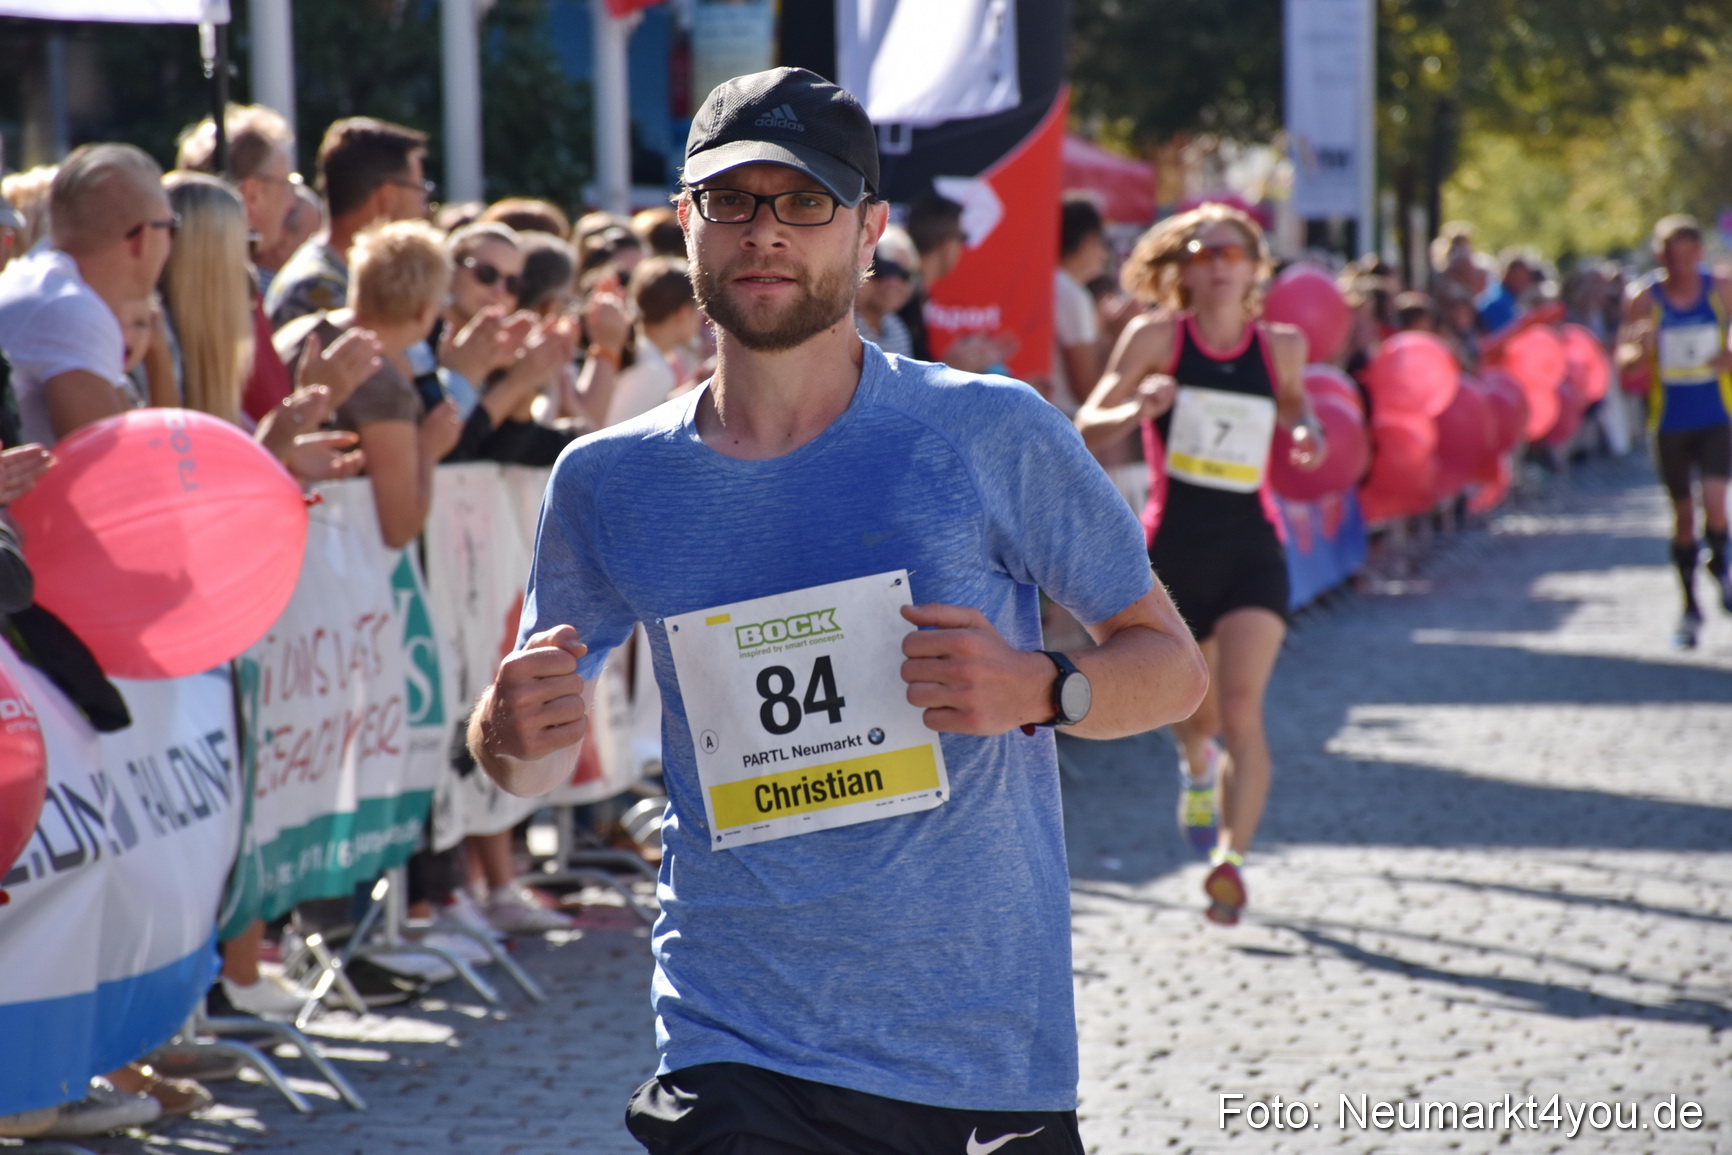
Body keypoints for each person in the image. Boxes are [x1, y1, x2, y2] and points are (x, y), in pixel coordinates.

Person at [467, 67, 1206, 1154]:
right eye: (733, 200)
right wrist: (505, 730)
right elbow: (526, 761)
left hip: (971, 1044)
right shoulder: (607, 479)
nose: (765, 231)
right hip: (733, 1041)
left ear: (867, 231)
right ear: (686, 224)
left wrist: (1039, 686)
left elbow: (1172, 668)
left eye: (803, 201)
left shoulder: (988, 432)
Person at [1075, 203, 1323, 927]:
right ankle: (1194, 769)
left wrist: (1306, 432)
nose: (1215, 263)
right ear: (1182, 269)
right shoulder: (1156, 336)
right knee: (1195, 710)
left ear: (1253, 267)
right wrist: (1138, 406)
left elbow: (1297, 408)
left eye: (1229, 251)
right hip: (1174, 547)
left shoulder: (1282, 345)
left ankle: (1230, 860)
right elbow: (1087, 423)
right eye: (1201, 251)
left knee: (1242, 710)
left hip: (1252, 547)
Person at [275, 220, 462, 548]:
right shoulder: (383, 384)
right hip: (317, 565)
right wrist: (428, 450)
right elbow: (398, 527)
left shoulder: (299, 333)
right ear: (423, 312)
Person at [0, 144, 172, 447]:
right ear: (142, 238)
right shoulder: (70, 309)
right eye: (170, 226)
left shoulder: (50, 285)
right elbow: (116, 477)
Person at [1620, 214, 1732, 648]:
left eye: (1687, 255)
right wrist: (1638, 349)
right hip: (1668, 420)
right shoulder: (1644, 298)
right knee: (1684, 515)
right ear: (1659, 255)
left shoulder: (1721, 289)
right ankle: (1689, 608)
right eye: (1671, 255)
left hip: (1716, 413)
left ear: (1699, 254)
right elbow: (1623, 361)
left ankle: (1720, 568)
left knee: (1716, 503)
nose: (1680, 264)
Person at [265, 117, 431, 329]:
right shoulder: (316, 290)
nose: (423, 207)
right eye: (420, 189)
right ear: (388, 196)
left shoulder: (337, 278)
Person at [606, 255, 699, 427]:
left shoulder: (641, 351)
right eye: (697, 309)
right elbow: (614, 432)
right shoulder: (653, 370)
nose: (701, 317)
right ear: (683, 313)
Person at [1052, 195, 1109, 414]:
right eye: (1101, 242)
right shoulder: (1071, 294)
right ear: (1088, 239)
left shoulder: (1049, 284)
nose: (1104, 254)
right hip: (1061, 419)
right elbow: (1088, 390)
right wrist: (1118, 333)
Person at [853, 229, 915, 357]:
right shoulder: (843, 325)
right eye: (882, 271)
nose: (893, 282)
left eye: (904, 275)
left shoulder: (896, 326)